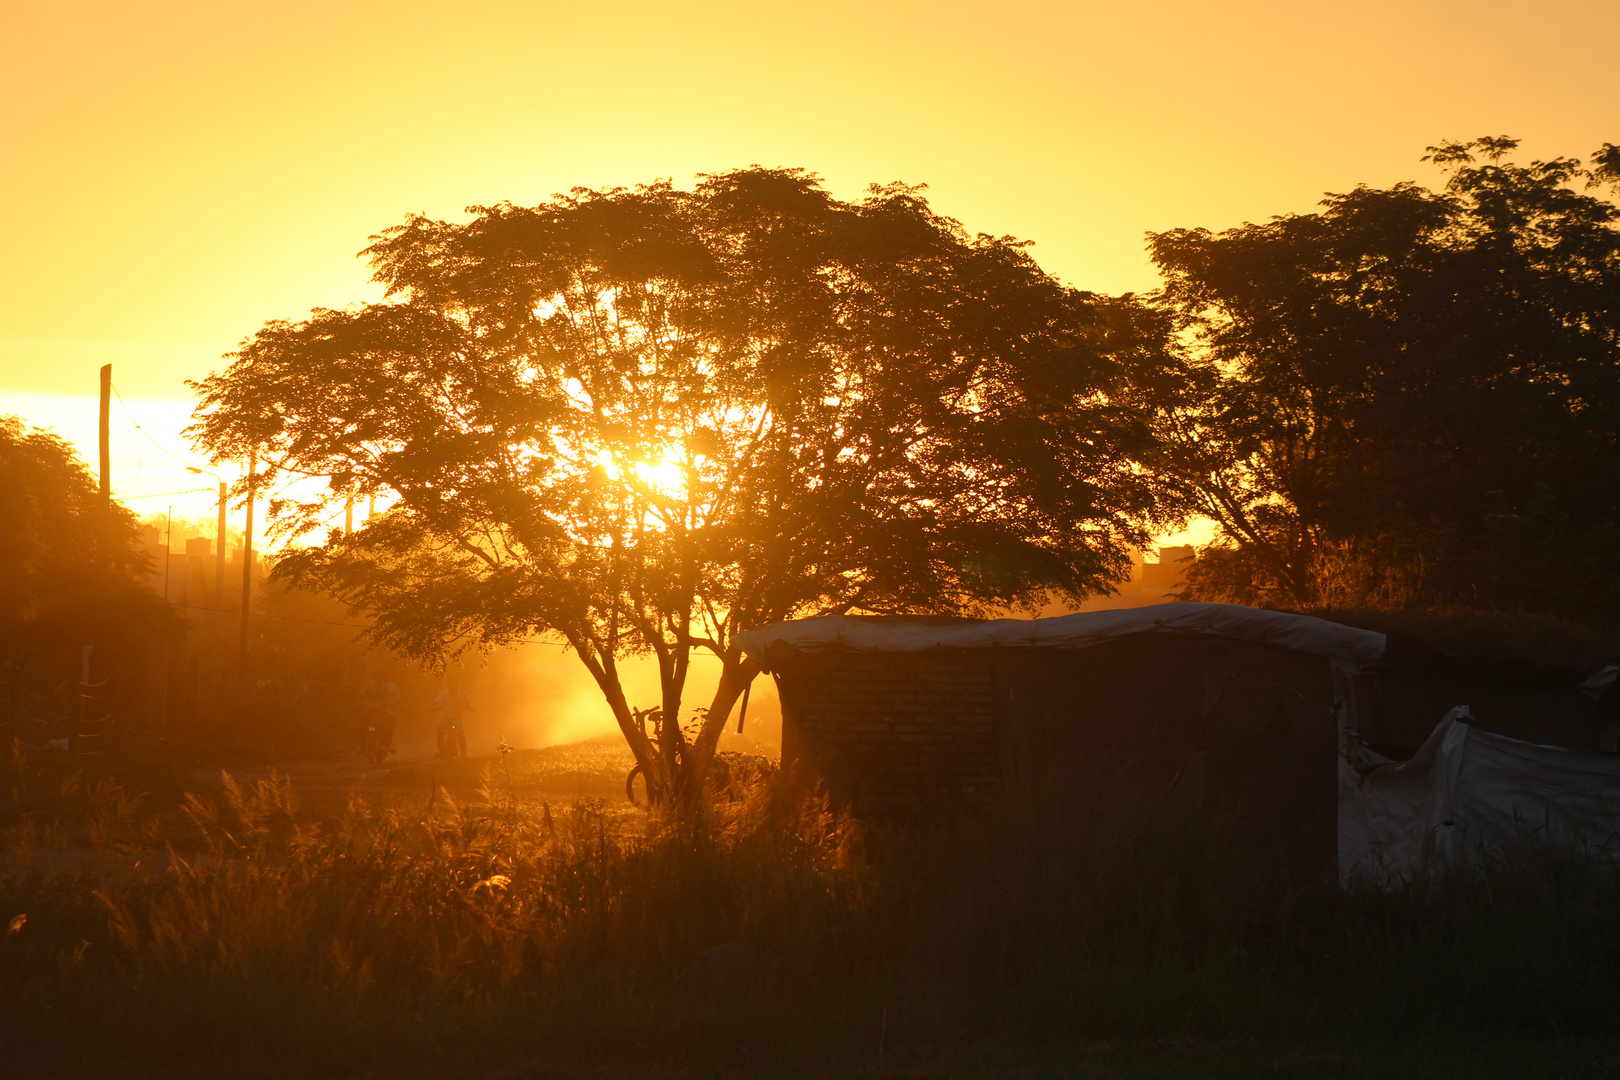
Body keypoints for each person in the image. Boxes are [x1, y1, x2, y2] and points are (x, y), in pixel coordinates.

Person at [359, 677, 400, 755]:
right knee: (363, 721)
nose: (379, 681)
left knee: (391, 719)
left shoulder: (388, 687)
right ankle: (362, 743)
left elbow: (395, 696)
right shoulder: (369, 686)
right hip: (371, 709)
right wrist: (361, 704)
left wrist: (394, 703)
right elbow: (361, 696)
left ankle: (389, 742)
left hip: (384, 709)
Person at [434, 683, 470, 760]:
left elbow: (468, 705)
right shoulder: (443, 693)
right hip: (446, 718)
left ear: (456, 685)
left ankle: (463, 752)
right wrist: (437, 708)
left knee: (459, 730)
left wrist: (461, 709)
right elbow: (435, 704)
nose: (452, 686)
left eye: (454, 684)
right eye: (450, 684)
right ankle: (442, 750)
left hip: (457, 719)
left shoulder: (462, 693)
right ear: (448, 686)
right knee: (439, 727)